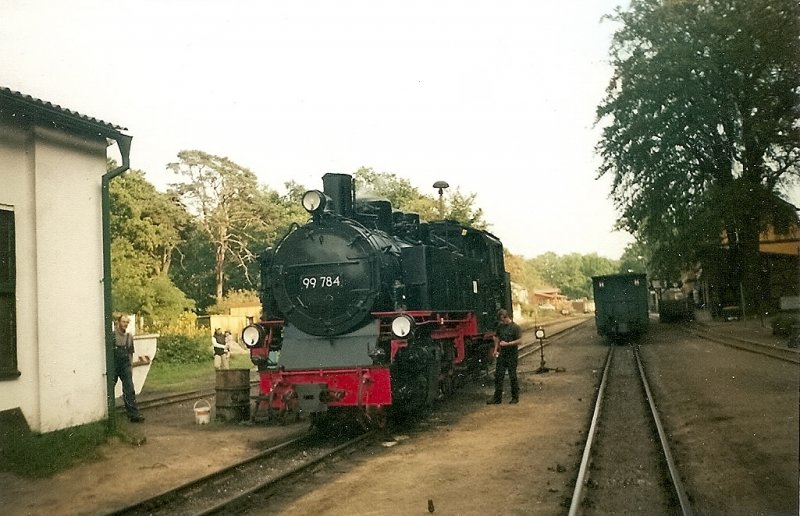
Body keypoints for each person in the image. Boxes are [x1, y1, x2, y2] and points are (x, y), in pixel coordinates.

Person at [487, 309, 522, 405]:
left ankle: (515, 397)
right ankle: (497, 398)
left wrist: (508, 343)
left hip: (512, 354)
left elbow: (520, 341)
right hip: (502, 355)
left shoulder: (515, 327)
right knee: (498, 376)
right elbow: (497, 338)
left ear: (506, 317)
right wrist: (495, 349)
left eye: (502, 320)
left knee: (512, 376)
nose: (502, 322)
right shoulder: (500, 327)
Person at [114, 314, 145, 422]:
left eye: (127, 322)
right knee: (108, 389)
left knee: (129, 390)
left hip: (125, 365)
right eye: (123, 322)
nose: (125, 324)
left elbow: (130, 353)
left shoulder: (129, 337)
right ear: (118, 322)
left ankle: (133, 415)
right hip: (113, 365)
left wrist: (130, 367)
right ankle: (108, 415)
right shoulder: (112, 336)